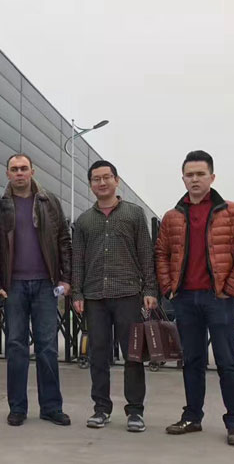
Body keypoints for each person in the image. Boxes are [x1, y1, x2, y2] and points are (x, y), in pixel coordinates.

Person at [155, 150, 234, 446]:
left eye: (200, 174)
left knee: (227, 361)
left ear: (212, 177)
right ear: (183, 179)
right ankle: (192, 417)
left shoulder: (233, 212)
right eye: (190, 175)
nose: (195, 179)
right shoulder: (173, 216)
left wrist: (231, 288)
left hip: (218, 299)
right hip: (185, 299)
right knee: (192, 361)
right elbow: (161, 253)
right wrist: (168, 288)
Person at [71, 160, 158, 431]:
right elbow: (78, 261)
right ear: (90, 184)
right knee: (98, 355)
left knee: (133, 354)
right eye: (96, 179)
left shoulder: (133, 214)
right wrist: (77, 292)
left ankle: (135, 411)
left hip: (128, 294)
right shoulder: (84, 221)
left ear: (116, 180)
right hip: (94, 296)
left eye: (106, 177)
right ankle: (101, 408)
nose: (102, 182)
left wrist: (150, 289)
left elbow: (146, 253)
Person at [0, 154, 72, 427]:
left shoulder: (49, 202)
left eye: (24, 168)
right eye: (14, 169)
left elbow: (63, 240)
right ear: (7, 174)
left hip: (46, 285)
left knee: (48, 347)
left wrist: (66, 279)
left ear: (32, 171)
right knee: (15, 347)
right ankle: (17, 408)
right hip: (13, 287)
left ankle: (51, 407)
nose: (19, 173)